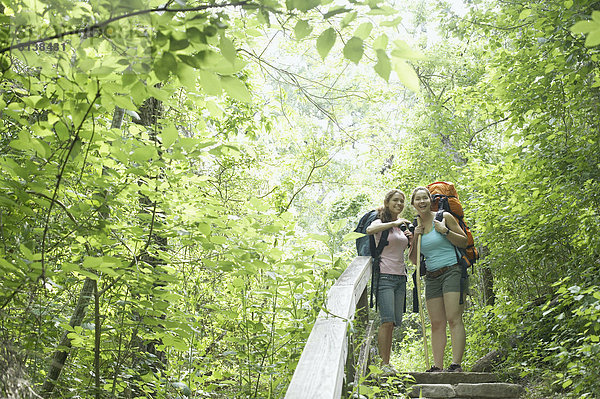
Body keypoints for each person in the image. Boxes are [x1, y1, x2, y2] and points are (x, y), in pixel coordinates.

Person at [408, 186, 469, 372]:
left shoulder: (444, 217)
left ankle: (456, 364)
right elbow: (413, 259)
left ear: (430, 200)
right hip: (432, 277)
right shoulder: (415, 226)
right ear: (413, 204)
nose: (422, 202)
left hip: (452, 271)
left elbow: (464, 241)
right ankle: (437, 366)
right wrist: (416, 236)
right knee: (436, 323)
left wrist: (445, 231)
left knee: (453, 318)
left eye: (424, 198)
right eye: (417, 199)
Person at [366, 189, 413, 375]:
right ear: (387, 202)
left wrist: (411, 238)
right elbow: (370, 230)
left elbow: (408, 254)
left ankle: (387, 362)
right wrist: (394, 222)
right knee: (386, 321)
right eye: (395, 200)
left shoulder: (399, 228)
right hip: (384, 276)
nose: (399, 204)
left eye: (402, 201)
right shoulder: (382, 221)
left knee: (393, 323)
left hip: (400, 278)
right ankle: (383, 365)